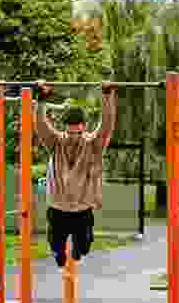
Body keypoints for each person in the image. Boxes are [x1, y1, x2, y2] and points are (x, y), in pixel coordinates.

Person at [34, 81, 117, 267]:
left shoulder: (93, 144)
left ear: (84, 127)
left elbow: (107, 125)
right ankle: (59, 253)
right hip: (58, 208)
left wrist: (106, 96)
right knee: (56, 246)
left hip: (82, 208)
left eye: (77, 133)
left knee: (84, 246)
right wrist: (41, 99)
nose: (74, 138)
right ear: (65, 128)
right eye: (71, 132)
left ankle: (78, 250)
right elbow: (41, 126)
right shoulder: (56, 142)